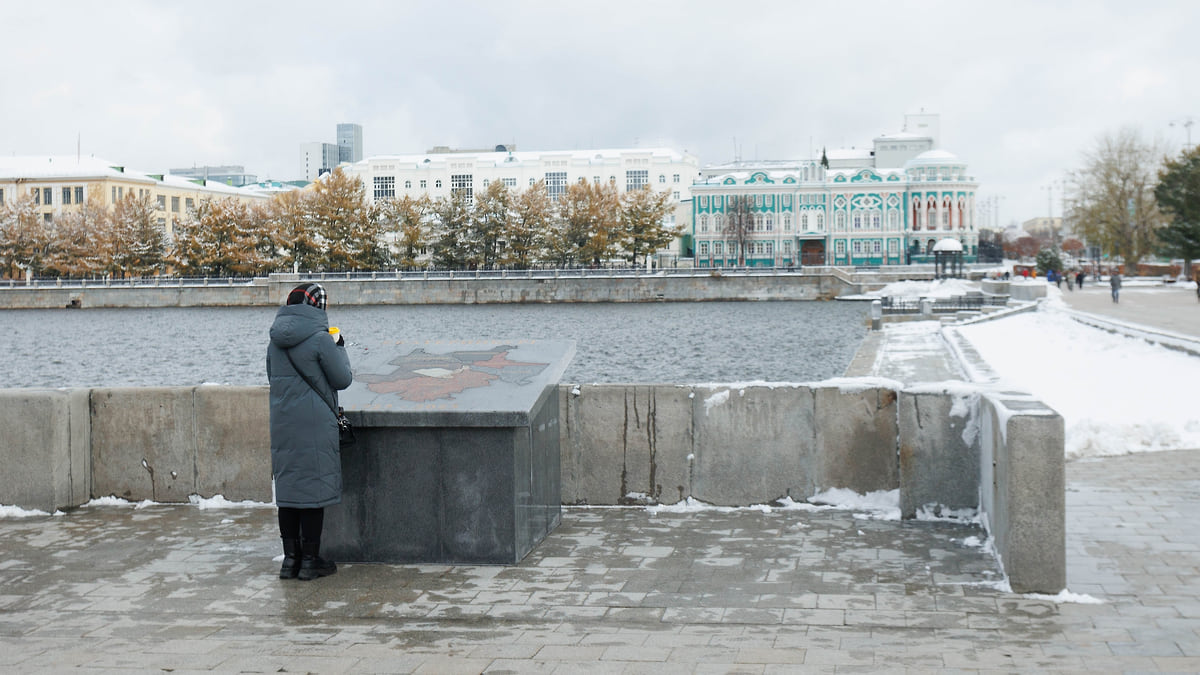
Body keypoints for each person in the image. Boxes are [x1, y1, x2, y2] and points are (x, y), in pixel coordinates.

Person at [266, 283, 353, 581]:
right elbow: (342, 379)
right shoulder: (320, 340)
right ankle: (310, 561)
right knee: (312, 492)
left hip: (283, 423)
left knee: (289, 491)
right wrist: (339, 346)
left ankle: (290, 561)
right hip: (314, 425)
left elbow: (273, 378)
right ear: (318, 307)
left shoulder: (274, 341)